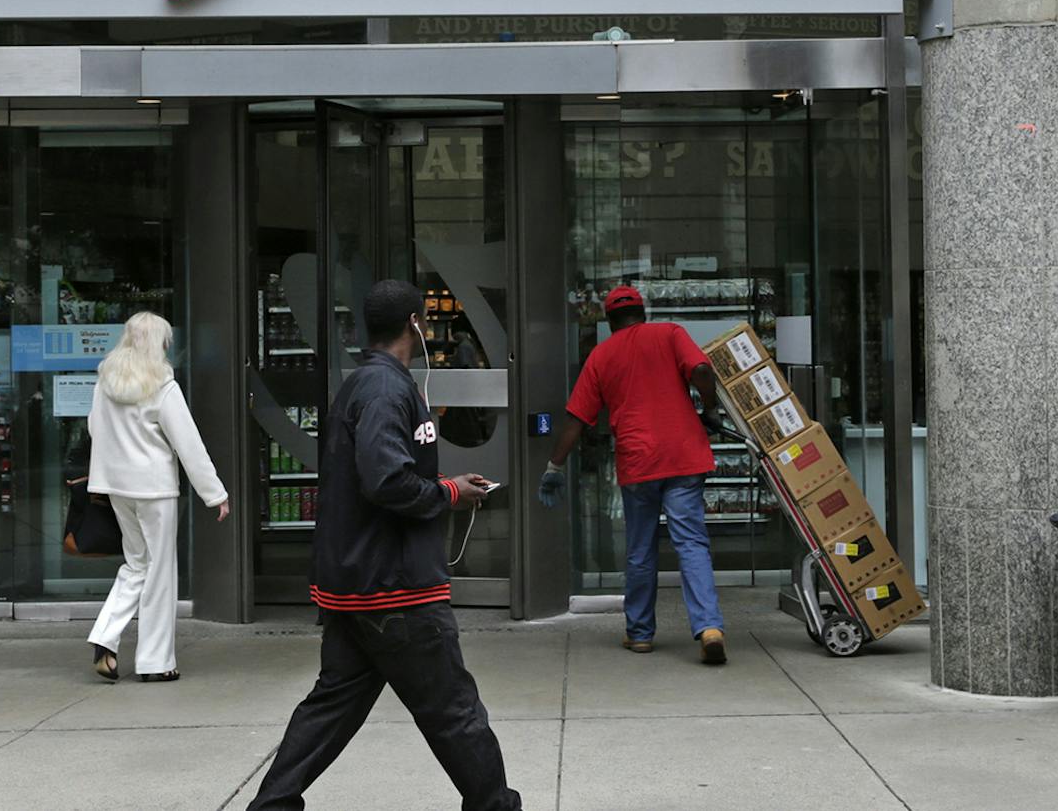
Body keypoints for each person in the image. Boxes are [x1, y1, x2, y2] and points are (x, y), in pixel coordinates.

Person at [249, 280, 519, 811]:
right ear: (415, 324)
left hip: (358, 587)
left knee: (330, 709)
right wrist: (448, 492)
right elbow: (385, 479)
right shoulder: (385, 391)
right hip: (396, 589)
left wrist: (444, 486)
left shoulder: (365, 385)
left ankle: (271, 806)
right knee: (456, 714)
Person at [538, 284, 727, 663]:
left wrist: (554, 466)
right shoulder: (670, 334)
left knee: (640, 550)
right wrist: (710, 409)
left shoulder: (601, 356)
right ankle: (708, 627)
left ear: (610, 321)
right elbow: (703, 370)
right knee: (691, 543)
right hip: (684, 455)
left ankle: (640, 633)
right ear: (644, 312)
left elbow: (576, 419)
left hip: (638, 462)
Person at [82, 311, 228, 683]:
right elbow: (188, 444)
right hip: (155, 488)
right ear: (159, 343)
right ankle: (155, 661)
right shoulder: (163, 383)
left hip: (116, 486)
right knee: (160, 571)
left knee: (136, 565)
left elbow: (94, 428)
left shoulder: (105, 381)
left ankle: (104, 637)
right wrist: (214, 494)